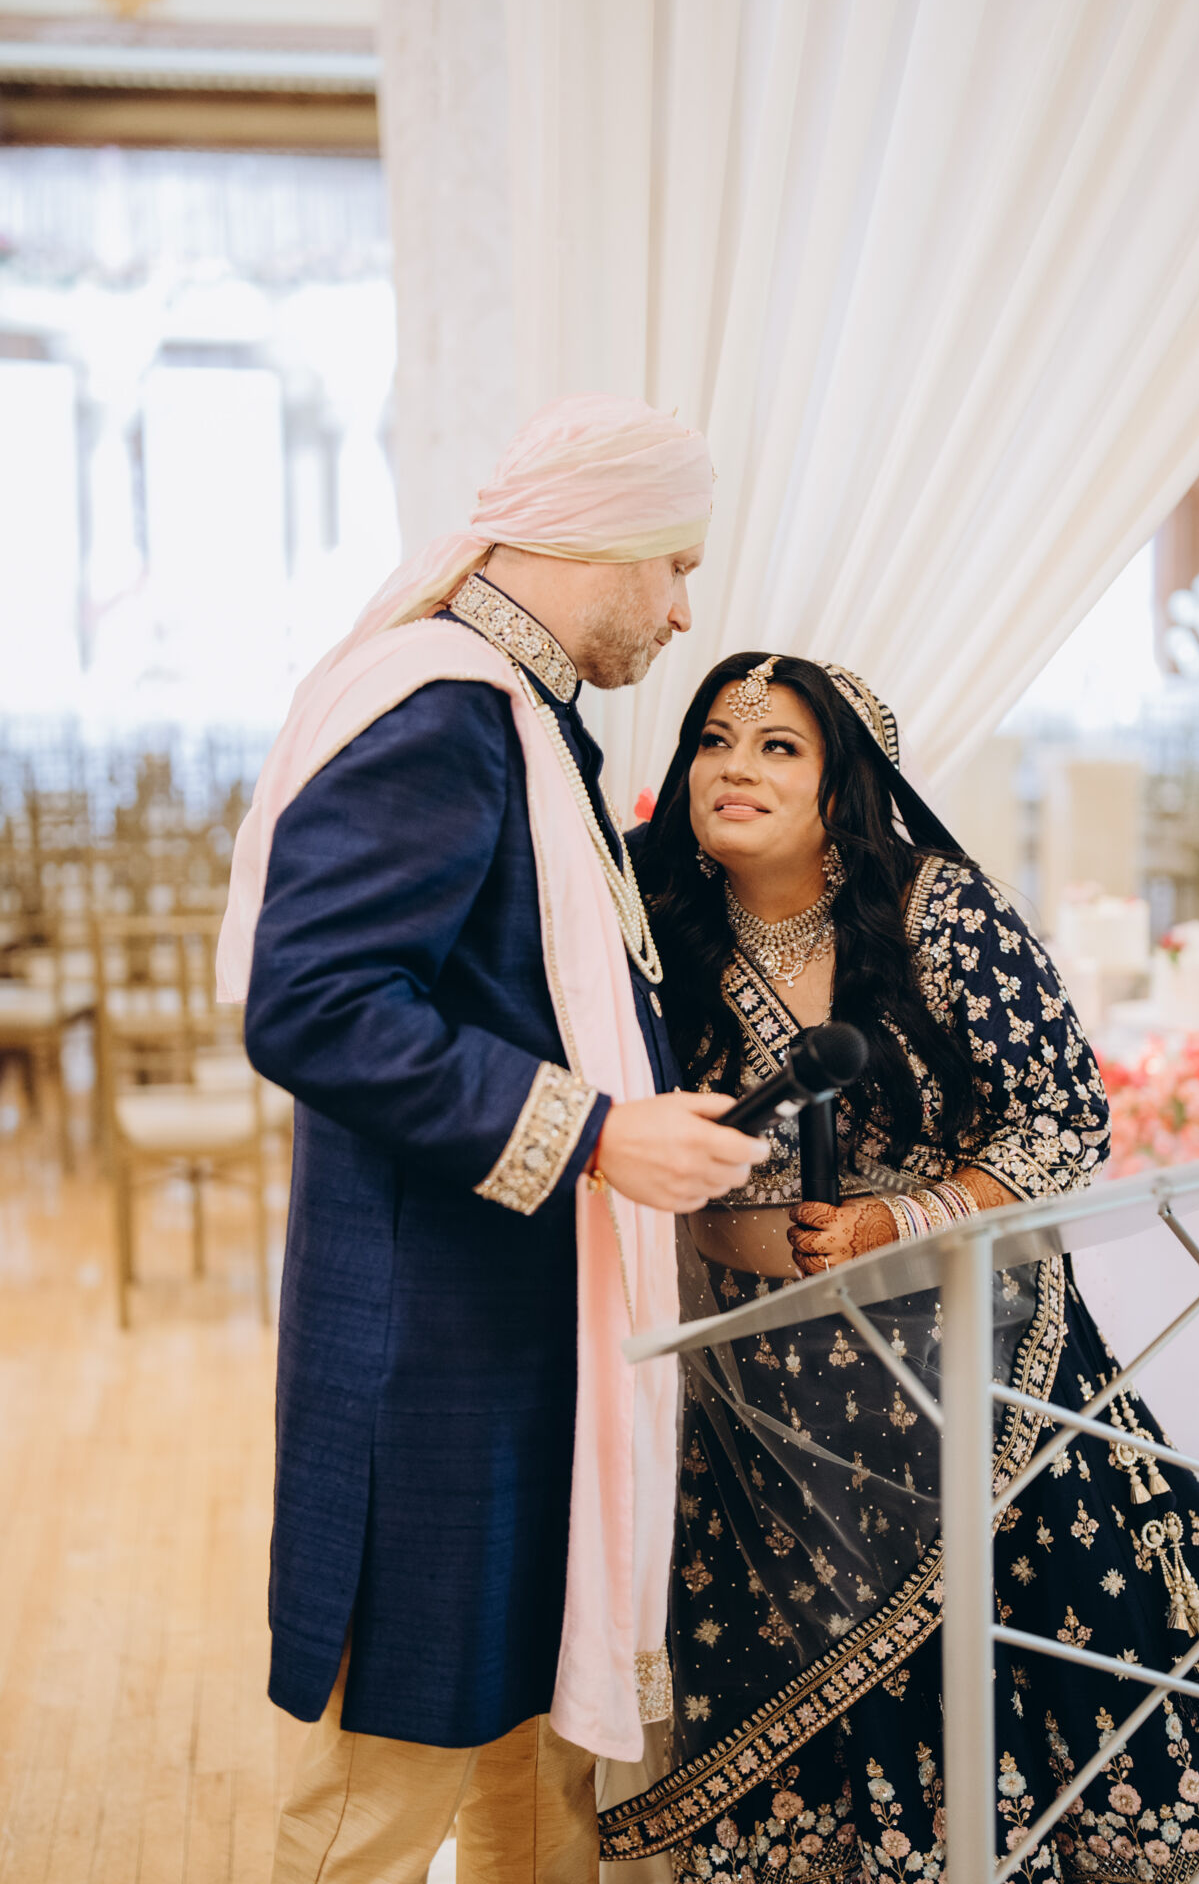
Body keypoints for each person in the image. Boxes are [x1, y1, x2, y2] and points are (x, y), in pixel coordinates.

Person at [216, 396, 768, 1883]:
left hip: (523, 1333)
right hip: (432, 1348)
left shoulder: (523, 710)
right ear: (602, 544)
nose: (682, 610)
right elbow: (314, 1004)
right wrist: (596, 1136)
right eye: (675, 567)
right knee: (379, 1803)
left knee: (530, 1774)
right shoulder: (446, 711)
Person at [600, 652, 1199, 1882]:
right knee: (788, 1684)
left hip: (967, 1369)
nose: (734, 767)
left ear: (843, 786)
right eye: (713, 741)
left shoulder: (936, 912)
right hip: (747, 1393)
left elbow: (1063, 1118)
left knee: (1009, 1670)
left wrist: (893, 1222)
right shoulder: (650, 924)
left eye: (778, 746)